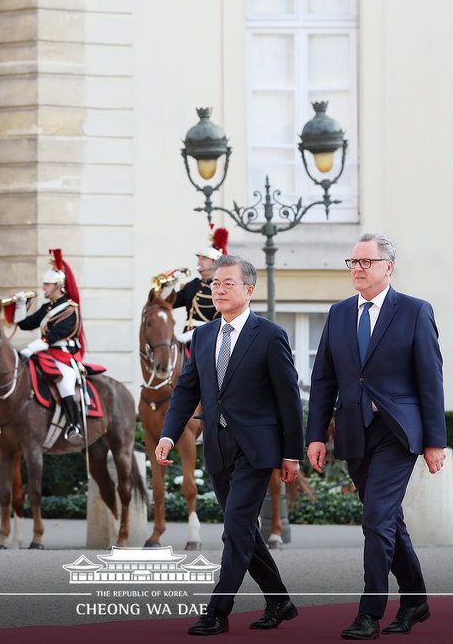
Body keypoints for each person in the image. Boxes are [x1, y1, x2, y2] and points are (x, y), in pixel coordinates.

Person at [305, 233, 446, 640]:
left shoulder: (415, 312)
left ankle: (370, 612)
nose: (358, 269)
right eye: (353, 262)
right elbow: (324, 379)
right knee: (387, 519)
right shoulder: (338, 313)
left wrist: (435, 441)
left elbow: (431, 381)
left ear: (388, 267)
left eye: (366, 262)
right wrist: (316, 435)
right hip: (353, 431)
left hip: (398, 433)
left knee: (376, 518)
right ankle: (417, 600)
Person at [155, 253, 303, 636]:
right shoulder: (203, 336)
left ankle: (218, 611)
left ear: (249, 290)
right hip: (217, 447)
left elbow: (289, 400)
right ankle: (279, 601)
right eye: (215, 284)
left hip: (257, 448)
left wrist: (292, 453)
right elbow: (186, 392)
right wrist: (168, 435)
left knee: (235, 527)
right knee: (244, 531)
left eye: (227, 284)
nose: (218, 289)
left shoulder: (271, 336)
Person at [13, 249, 86, 444]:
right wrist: (20, 305)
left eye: (47, 284)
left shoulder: (70, 309)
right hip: (46, 354)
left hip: (63, 356)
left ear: (58, 286)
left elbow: (53, 336)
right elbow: (26, 324)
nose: (43, 288)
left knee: (65, 382)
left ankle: (74, 425)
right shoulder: (48, 307)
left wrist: (31, 348)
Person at [168, 226, 227, 344]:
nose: (199, 262)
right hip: (186, 340)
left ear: (215, 263)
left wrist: (193, 334)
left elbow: (223, 319)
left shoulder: (222, 288)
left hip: (209, 339)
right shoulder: (192, 286)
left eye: (204, 258)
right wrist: (170, 283)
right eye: (199, 258)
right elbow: (169, 303)